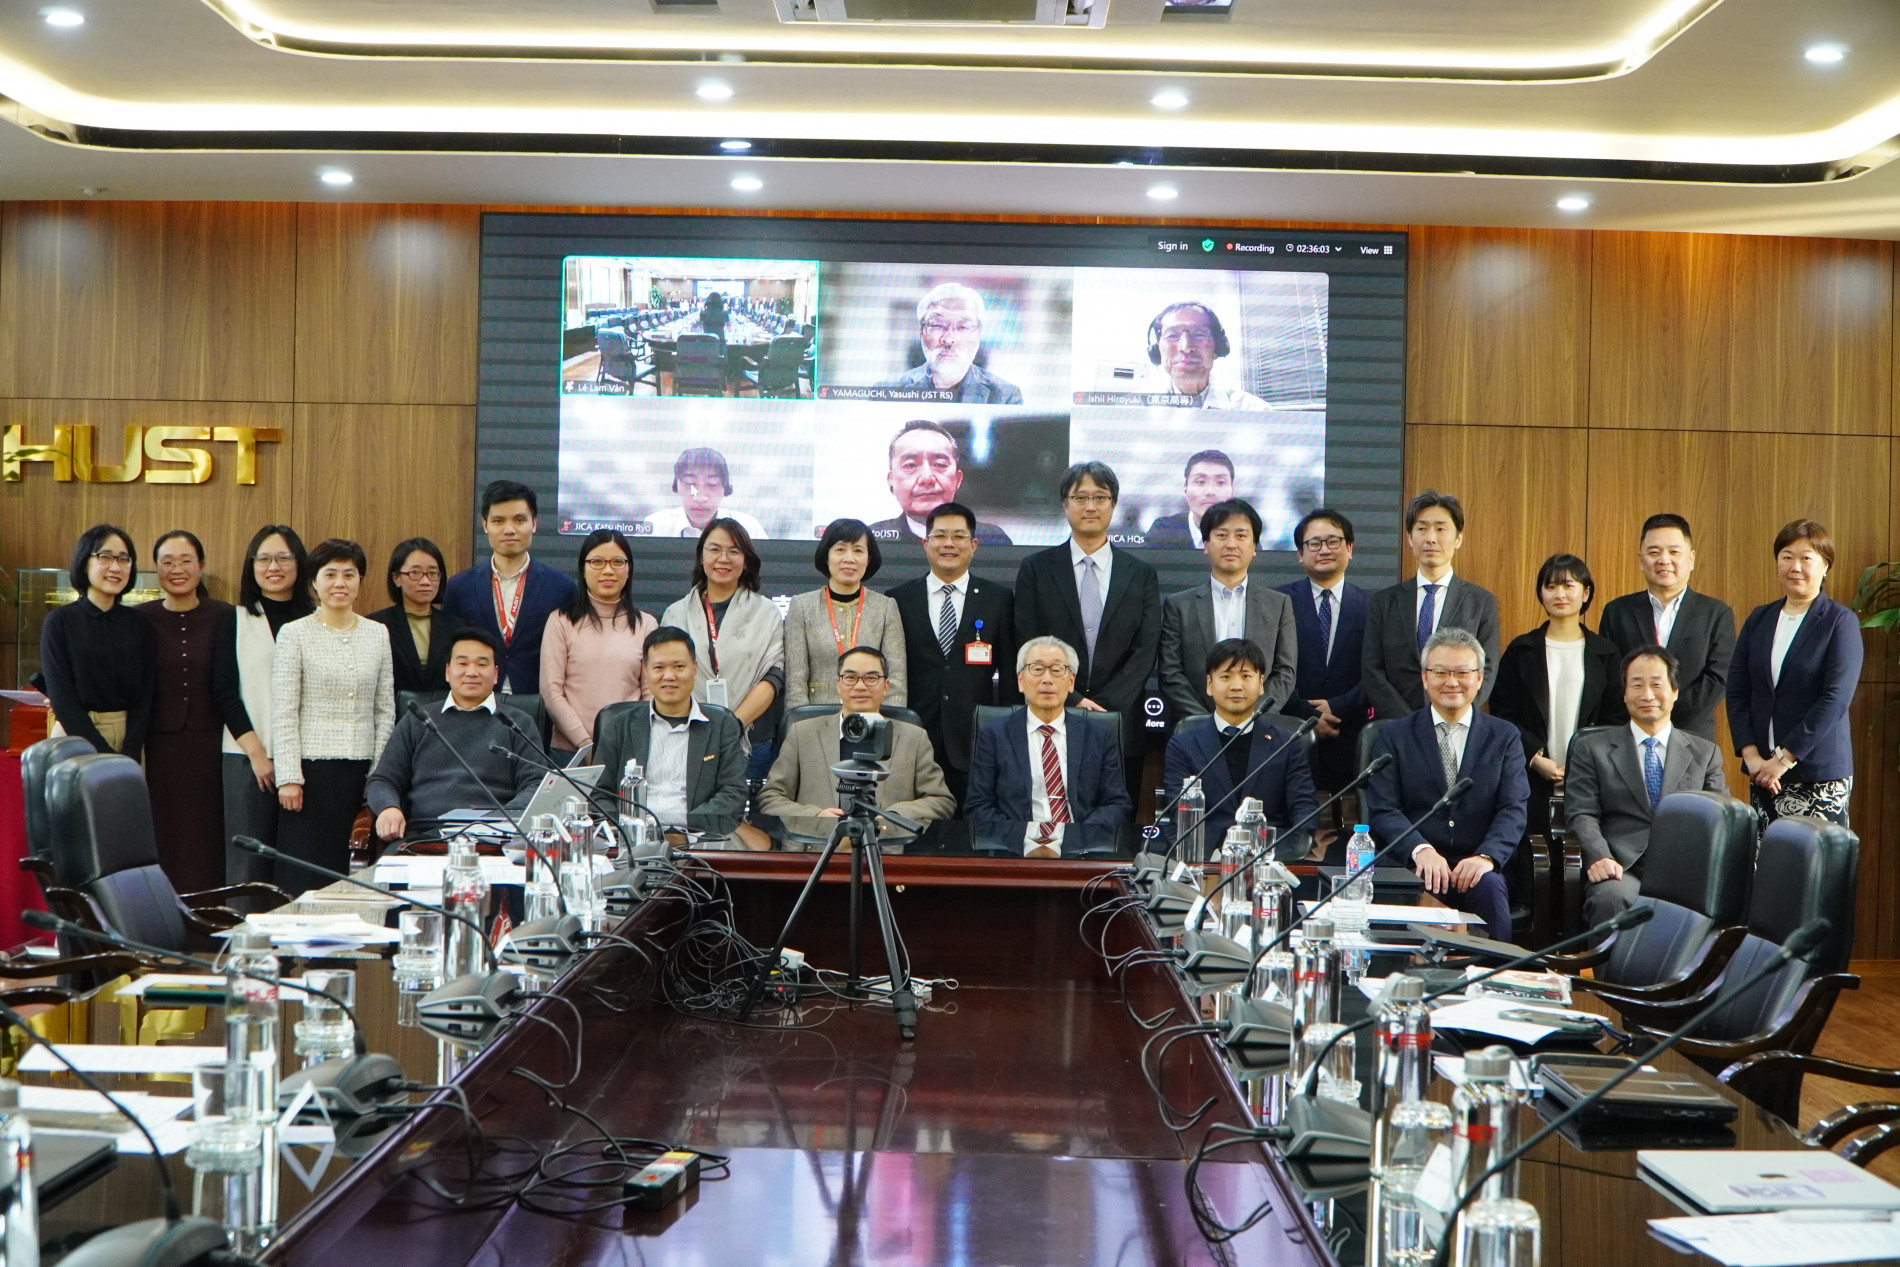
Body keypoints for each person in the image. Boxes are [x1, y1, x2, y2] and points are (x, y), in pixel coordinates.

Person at [1012, 461, 1161, 803]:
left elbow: (1145, 649)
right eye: (1080, 497)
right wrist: (1074, 697)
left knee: (1116, 821)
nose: (1090, 506)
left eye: (1100, 497)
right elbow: (1027, 641)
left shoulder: (1140, 574)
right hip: (1051, 715)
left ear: (1113, 504)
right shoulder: (1036, 569)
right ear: (1064, 505)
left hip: (1120, 722)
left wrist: (1105, 706)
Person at [1365, 628, 1527, 941]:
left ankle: (1496, 981)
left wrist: (1486, 857)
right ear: (1425, 678)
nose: (1451, 682)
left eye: (1462, 672)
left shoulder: (1504, 737)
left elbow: (1514, 808)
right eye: (1440, 672)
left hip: (1477, 865)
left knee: (1491, 888)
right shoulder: (1394, 736)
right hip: (1415, 866)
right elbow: (1384, 808)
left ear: (1479, 677)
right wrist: (1419, 849)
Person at [1564, 646, 1729, 925]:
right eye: (1637, 685)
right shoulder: (1592, 748)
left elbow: (1721, 818)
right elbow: (1581, 813)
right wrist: (1600, 857)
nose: (1647, 695)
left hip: (1686, 867)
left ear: (1675, 691)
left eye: (1656, 684)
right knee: (1610, 899)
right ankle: (1616, 972)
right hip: (1621, 866)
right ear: (1625, 694)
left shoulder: (1705, 752)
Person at [271, 538, 396, 893]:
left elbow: (385, 709)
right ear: (314, 582)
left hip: (361, 773)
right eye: (330, 575)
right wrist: (288, 777)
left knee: (354, 869)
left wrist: (378, 775)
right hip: (310, 777)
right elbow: (283, 710)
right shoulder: (294, 634)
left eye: (349, 574)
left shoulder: (377, 634)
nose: (340, 583)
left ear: (360, 580)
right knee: (307, 872)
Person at [1727, 519, 1864, 832]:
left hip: (1818, 774)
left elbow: (1835, 699)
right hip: (1763, 774)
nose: (1795, 566)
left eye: (1807, 558)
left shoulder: (1839, 622)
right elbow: (1737, 689)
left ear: (1825, 566)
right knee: (1767, 871)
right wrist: (1751, 756)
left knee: (1814, 874)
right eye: (1787, 556)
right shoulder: (1760, 618)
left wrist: (1783, 759)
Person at [889, 501, 1018, 805]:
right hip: (914, 741)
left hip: (977, 745)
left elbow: (1013, 677)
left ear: (974, 545)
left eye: (959, 536)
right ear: (925, 543)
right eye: (940, 535)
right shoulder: (899, 599)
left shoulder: (997, 600)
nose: (949, 544)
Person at [1488, 554, 1623, 839]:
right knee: (1532, 865)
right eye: (1550, 587)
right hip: (1530, 778)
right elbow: (1502, 711)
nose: (1559, 594)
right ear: (1541, 594)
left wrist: (1584, 765)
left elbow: (1615, 718)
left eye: (1568, 585)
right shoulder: (1521, 651)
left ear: (1586, 592)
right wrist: (1535, 758)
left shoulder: (1606, 653)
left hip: (1590, 780)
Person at [366, 628, 544, 842]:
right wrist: (389, 808)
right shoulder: (419, 719)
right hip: (425, 837)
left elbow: (536, 784)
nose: (472, 672)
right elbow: (383, 779)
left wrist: (499, 821)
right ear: (448, 672)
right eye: (462, 663)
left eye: (481, 664)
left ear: (496, 674)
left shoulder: (518, 723)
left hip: (496, 837)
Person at [134, 530, 235, 894]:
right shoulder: (138, 619)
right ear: (156, 569)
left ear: (201, 566)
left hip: (213, 745)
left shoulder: (226, 616)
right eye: (167, 562)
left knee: (208, 834)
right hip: (158, 746)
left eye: (186, 561)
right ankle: (162, 918)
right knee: (163, 834)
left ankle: (207, 923)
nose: (177, 569)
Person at [216, 525, 313, 888]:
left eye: (284, 557)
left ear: (299, 564)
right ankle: (247, 943)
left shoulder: (316, 619)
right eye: (264, 558)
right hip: (246, 758)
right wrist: (257, 755)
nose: (274, 566)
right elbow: (224, 693)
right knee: (248, 867)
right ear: (251, 566)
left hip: (306, 761)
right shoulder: (235, 619)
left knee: (297, 867)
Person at [759, 646, 955, 822]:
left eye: (871, 678)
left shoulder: (913, 738)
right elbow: (770, 798)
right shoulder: (802, 734)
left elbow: (941, 802)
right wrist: (816, 816)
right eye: (850, 678)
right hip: (820, 849)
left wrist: (893, 816)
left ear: (886, 686)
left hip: (885, 851)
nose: (860, 686)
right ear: (838, 684)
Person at [1162, 638, 1319, 855]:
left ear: (1261, 683)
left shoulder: (1287, 744)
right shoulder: (1183, 745)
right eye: (1225, 677)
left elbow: (1304, 810)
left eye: (1246, 676)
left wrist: (1280, 856)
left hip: (1270, 859)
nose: (1236, 686)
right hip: (1205, 860)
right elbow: (1177, 816)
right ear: (1209, 684)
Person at [590, 626, 750, 837]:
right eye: (659, 668)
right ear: (645, 670)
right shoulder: (619, 725)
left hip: (698, 841)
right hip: (631, 841)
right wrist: (629, 830)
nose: (669, 676)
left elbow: (733, 792)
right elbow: (598, 794)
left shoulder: (722, 725)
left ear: (694, 668)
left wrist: (686, 829)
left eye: (679, 666)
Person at [660, 518, 785, 781]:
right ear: (701, 556)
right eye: (714, 549)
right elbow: (665, 678)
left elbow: (773, 677)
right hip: (687, 736)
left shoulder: (767, 613)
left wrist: (731, 727)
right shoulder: (676, 614)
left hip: (751, 739)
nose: (723, 558)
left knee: (745, 819)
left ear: (746, 559)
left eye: (734, 551)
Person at [966, 637, 1133, 829]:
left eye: (1057, 670)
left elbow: (1117, 804)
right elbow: (978, 806)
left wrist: (1076, 839)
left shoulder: (1098, 736)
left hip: (1081, 847)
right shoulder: (994, 736)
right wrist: (1024, 838)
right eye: (1037, 669)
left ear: (1071, 681)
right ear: (1020, 680)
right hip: (1017, 849)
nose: (1047, 679)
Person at [1597, 514, 1736, 742]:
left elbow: (1718, 678)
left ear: (1690, 559)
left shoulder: (1716, 613)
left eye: (1674, 552)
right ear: (1641, 560)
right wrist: (1644, 715)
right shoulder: (1617, 612)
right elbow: (1612, 676)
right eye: (1654, 552)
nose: (1664, 560)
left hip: (1692, 737)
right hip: (1630, 736)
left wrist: (1662, 711)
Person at [1363, 490, 1500, 718]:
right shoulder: (1384, 602)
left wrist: (1453, 713)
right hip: (1395, 726)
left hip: (1454, 723)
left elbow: (1487, 667)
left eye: (1440, 528)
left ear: (1458, 538)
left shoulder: (1481, 601)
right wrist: (1408, 722)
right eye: (1422, 528)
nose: (1431, 538)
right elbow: (1372, 670)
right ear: (1409, 538)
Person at [1158, 498, 1297, 719]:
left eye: (1241, 536)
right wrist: (1207, 722)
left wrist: (1252, 717)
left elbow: (1284, 673)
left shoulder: (1278, 604)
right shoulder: (1179, 605)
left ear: (1254, 547)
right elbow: (1171, 674)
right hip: (1197, 729)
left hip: (1259, 730)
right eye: (1221, 535)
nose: (1231, 544)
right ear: (1206, 544)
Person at [442, 479, 576, 696]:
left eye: (519, 519)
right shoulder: (460, 587)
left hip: (537, 702)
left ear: (534, 523)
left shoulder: (561, 587)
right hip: (477, 701)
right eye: (498, 521)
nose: (509, 529)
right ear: (485, 525)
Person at [40, 524, 156, 764]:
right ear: (84, 562)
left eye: (124, 559)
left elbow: (145, 695)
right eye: (105, 557)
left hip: (128, 741)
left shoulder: (139, 623)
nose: (116, 567)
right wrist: (103, 754)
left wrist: (131, 751)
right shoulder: (60, 621)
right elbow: (62, 698)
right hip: (74, 737)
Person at [540, 529, 659, 757]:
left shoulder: (646, 625)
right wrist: (585, 744)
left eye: (617, 562)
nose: (608, 570)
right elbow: (551, 691)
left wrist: (627, 743)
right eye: (597, 562)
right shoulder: (561, 621)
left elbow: (649, 695)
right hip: (570, 751)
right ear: (583, 569)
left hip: (627, 749)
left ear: (629, 569)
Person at [1276, 509, 1370, 792]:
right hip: (1290, 734)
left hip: (1352, 735)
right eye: (1314, 543)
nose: (1324, 549)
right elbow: (1270, 668)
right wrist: (1306, 714)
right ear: (1300, 554)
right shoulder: (1277, 601)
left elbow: (1378, 670)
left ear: (1349, 548)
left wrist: (1339, 706)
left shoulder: (1374, 605)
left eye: (1333, 541)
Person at [782, 518, 908, 709]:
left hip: (872, 719)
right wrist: (800, 726)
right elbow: (795, 683)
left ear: (869, 558)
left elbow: (896, 680)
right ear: (827, 555)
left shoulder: (886, 607)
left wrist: (889, 726)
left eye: (858, 550)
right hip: (817, 719)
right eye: (840, 549)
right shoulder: (802, 606)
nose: (849, 558)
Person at [867, 420, 1012, 545]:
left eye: (940, 464)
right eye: (911, 465)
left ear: (957, 480)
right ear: (891, 480)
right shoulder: (870, 539)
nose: (927, 478)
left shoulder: (992, 538)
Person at [875, 282, 1023, 404]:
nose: (948, 339)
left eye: (963, 327)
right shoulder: (886, 392)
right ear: (921, 331)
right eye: (937, 325)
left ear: (978, 335)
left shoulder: (1006, 397)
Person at [368, 538, 460, 699]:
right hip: (395, 716)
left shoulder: (456, 626)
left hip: (442, 716)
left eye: (432, 573)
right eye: (415, 573)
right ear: (396, 578)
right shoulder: (375, 625)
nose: (425, 581)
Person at [1145, 302, 1269, 410]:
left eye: (1199, 334)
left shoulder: (1254, 410)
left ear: (1218, 348)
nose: (1186, 347)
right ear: (1157, 351)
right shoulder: (1134, 409)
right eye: (1172, 335)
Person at [639, 447, 766, 540]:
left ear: (725, 487)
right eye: (689, 483)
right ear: (676, 485)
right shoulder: (656, 526)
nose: (700, 498)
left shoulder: (749, 528)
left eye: (712, 484)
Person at [1144, 450, 1236, 548]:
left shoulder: (1250, 535)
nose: (1210, 491)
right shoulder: (1163, 532)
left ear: (1232, 490)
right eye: (1201, 482)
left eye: (1221, 483)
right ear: (1185, 488)